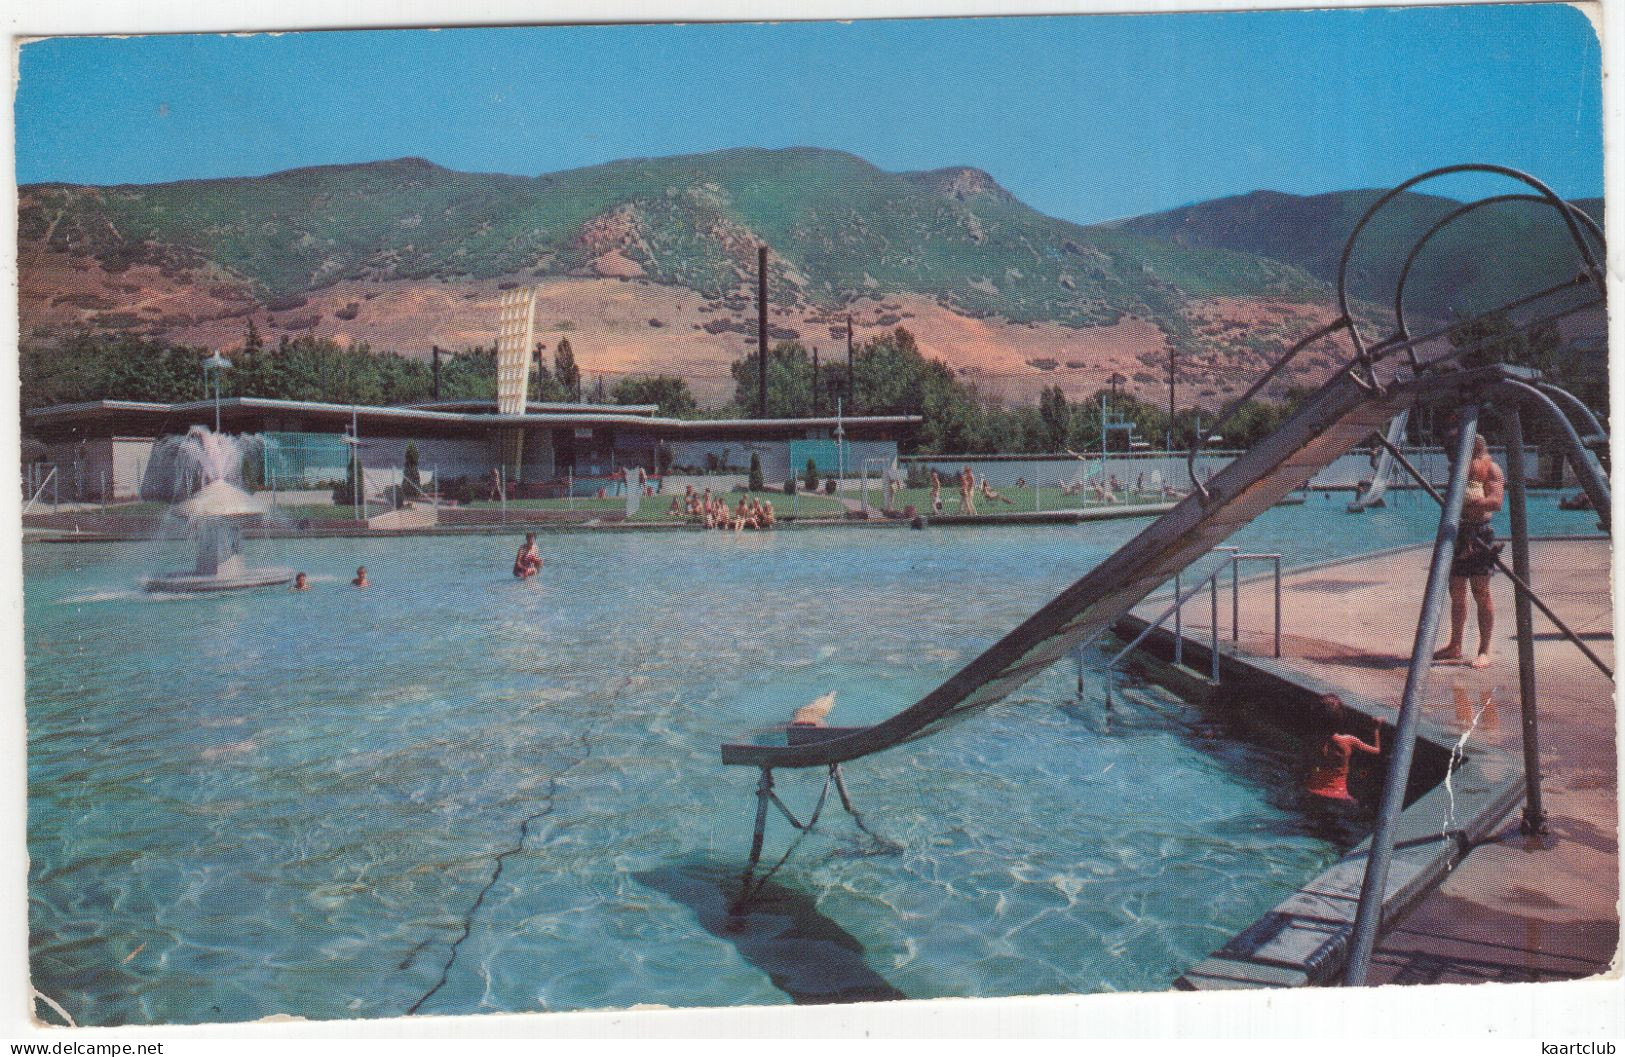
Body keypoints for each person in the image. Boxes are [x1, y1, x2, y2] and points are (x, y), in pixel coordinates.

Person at [1434, 418, 1505, 669]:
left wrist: (1465, 503)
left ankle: (1484, 650)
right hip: (1456, 532)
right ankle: (1455, 644)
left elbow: (1496, 502)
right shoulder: (1458, 469)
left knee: (1481, 592)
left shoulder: (1491, 469)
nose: (1451, 450)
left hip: (1479, 533)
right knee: (1456, 592)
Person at [1305, 694, 1382, 802]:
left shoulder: (1313, 741)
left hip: (1311, 792)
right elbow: (1376, 750)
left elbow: (1307, 765)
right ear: (1341, 718)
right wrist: (1376, 729)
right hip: (1339, 797)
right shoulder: (1348, 741)